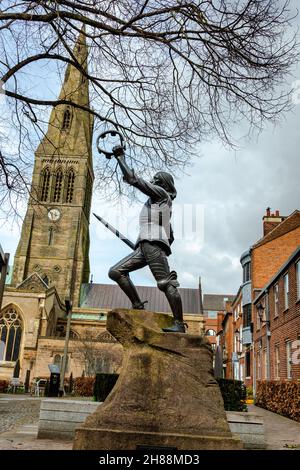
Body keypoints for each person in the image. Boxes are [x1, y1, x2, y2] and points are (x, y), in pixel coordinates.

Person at [108, 145, 187, 333]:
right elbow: (171, 236)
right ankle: (137, 305)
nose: (152, 182)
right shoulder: (160, 206)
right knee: (116, 272)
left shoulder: (161, 194)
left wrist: (120, 157)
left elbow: (132, 179)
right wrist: (149, 242)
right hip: (146, 246)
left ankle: (179, 324)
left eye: (156, 180)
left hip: (151, 245)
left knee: (165, 283)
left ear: (164, 185)